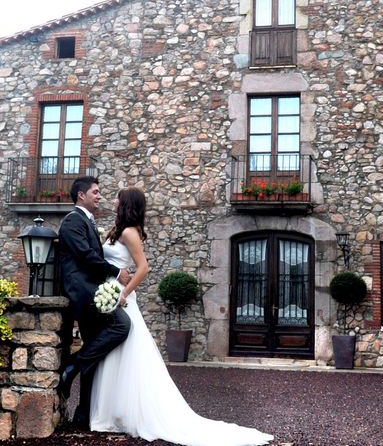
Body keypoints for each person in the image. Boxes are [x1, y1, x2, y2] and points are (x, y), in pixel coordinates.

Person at [90, 187, 273, 446]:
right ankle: (111, 412)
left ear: (126, 203)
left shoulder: (130, 232)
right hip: (111, 289)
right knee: (114, 352)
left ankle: (125, 414)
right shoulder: (118, 230)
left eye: (118, 198)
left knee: (126, 350)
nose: (113, 200)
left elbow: (143, 268)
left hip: (120, 296)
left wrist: (123, 294)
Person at [56, 175, 132, 430]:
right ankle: (73, 365)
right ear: (82, 195)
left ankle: (83, 416)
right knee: (121, 325)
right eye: (96, 192)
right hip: (84, 293)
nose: (99, 196)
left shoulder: (85, 221)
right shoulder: (72, 222)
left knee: (93, 352)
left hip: (92, 290)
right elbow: (87, 257)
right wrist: (116, 272)